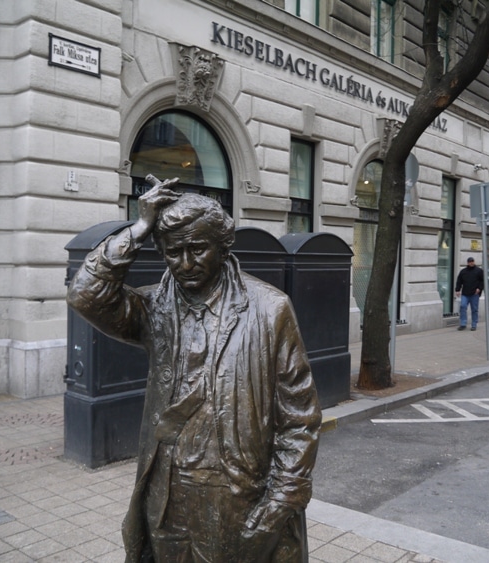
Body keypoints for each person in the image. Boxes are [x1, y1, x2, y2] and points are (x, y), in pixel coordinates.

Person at [67, 176, 321, 563]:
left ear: (223, 246)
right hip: (166, 492)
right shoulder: (155, 308)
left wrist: (277, 507)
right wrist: (138, 229)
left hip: (236, 496)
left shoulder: (269, 310)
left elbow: (299, 420)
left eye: (198, 249)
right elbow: (85, 294)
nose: (185, 263)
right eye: (173, 252)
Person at [455, 257, 484, 331]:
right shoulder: (463, 271)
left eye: (472, 261)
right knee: (462, 307)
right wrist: (457, 290)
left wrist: (479, 288)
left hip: (474, 294)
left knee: (474, 309)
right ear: (467, 263)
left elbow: (483, 281)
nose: (471, 263)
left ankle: (474, 324)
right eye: (470, 262)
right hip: (465, 293)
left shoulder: (479, 271)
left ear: (474, 262)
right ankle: (463, 324)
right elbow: (459, 281)